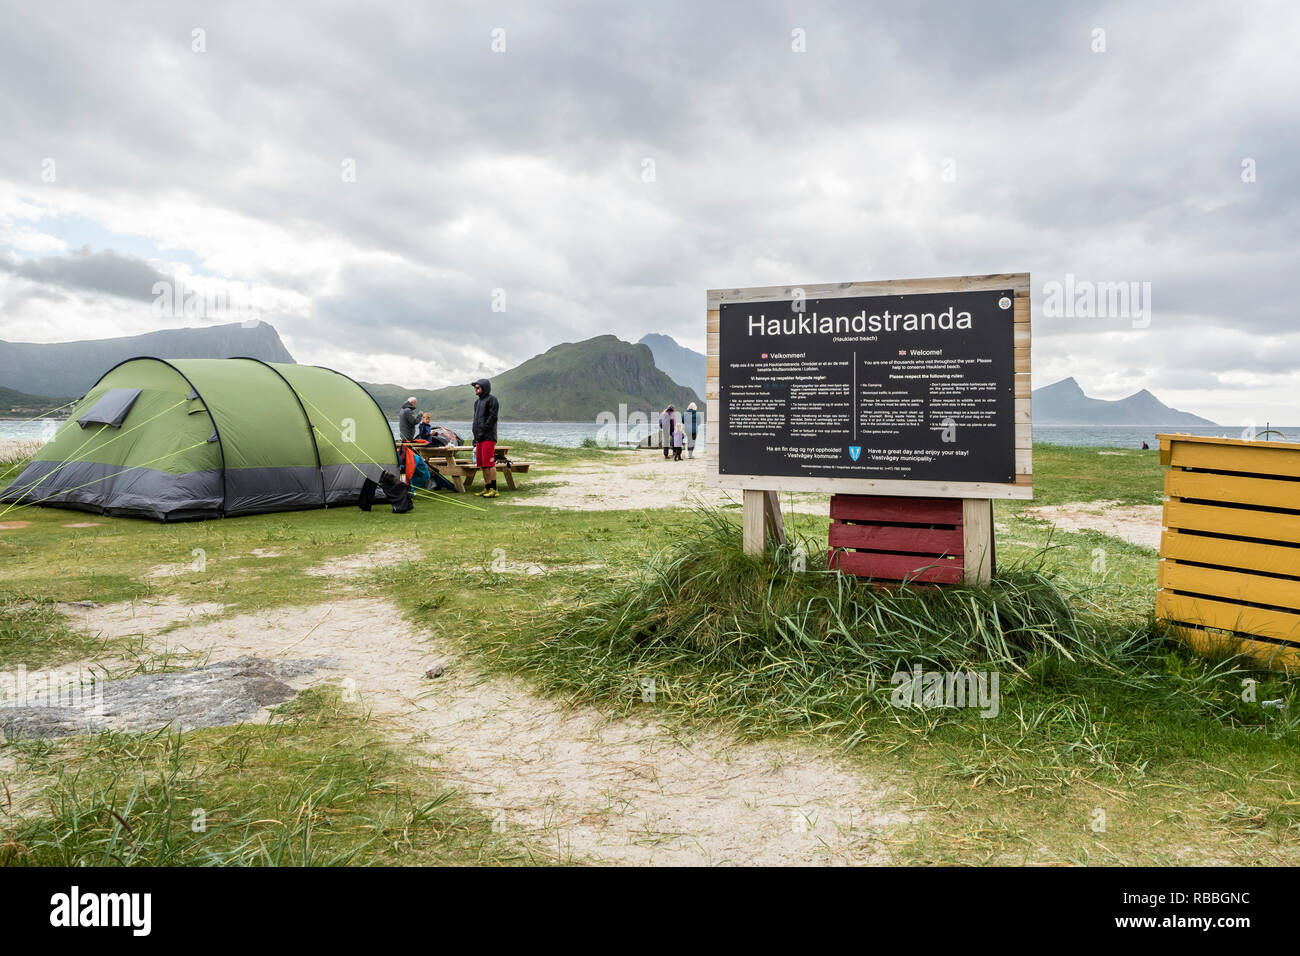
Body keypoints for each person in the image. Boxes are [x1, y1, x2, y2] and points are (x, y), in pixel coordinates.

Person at [471, 378, 500, 498]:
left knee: (489, 464)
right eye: (475, 388)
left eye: (478, 387)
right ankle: (487, 487)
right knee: (482, 464)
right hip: (479, 437)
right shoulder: (477, 402)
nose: (476, 390)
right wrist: (476, 435)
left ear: (485, 388)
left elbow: (492, 418)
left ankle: (494, 489)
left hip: (488, 436)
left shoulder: (492, 400)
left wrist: (483, 431)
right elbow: (476, 419)